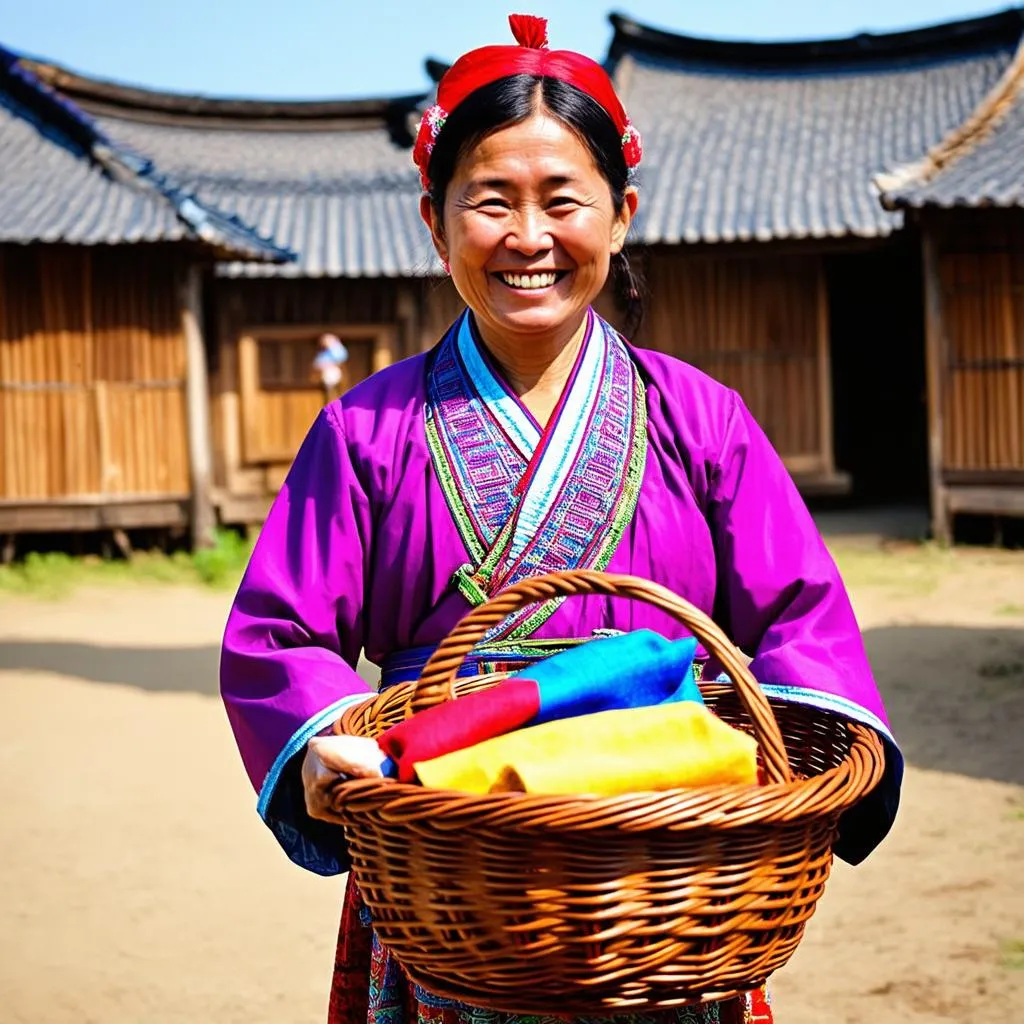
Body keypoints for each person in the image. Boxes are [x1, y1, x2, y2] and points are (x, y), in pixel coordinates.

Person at [220, 14, 902, 1024]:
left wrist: (796, 752)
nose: (527, 238)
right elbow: (279, 634)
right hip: (446, 852)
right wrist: (323, 741)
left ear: (620, 214)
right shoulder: (364, 430)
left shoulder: (701, 420)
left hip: (664, 863)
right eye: (490, 200)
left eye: (562, 201)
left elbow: (802, 617)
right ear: (434, 219)